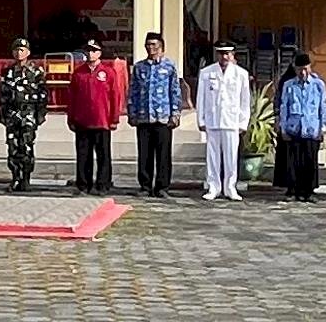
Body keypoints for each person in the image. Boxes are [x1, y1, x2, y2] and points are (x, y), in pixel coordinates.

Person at [192, 41, 254, 202]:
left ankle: (230, 187)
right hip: (212, 119)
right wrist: (201, 119)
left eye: (227, 53)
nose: (224, 57)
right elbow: (201, 97)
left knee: (231, 156)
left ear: (232, 55)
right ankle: (213, 186)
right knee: (212, 156)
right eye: (221, 53)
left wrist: (243, 122)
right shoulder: (207, 72)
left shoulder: (241, 74)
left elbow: (245, 100)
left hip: (232, 120)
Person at [66, 38, 127, 195]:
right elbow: (72, 97)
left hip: (102, 121)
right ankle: (83, 185)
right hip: (82, 121)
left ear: (99, 53)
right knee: (83, 156)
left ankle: (103, 185)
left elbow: (115, 96)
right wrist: (71, 118)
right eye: (88, 50)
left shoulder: (108, 72)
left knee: (103, 155)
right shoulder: (78, 73)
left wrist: (114, 118)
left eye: (94, 50)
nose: (90, 53)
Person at [128, 31, 185, 197]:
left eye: (154, 45)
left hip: (163, 117)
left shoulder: (169, 67)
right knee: (144, 154)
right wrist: (132, 112)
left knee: (163, 155)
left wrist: (175, 113)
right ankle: (145, 186)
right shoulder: (139, 67)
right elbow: (133, 91)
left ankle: (162, 187)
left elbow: (175, 91)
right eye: (148, 45)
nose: (150, 48)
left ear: (161, 47)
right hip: (144, 116)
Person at [0, 39, 52, 192]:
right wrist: (3, 114)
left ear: (28, 52)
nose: (19, 53)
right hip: (12, 114)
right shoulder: (7, 72)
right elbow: (0, 95)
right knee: (12, 146)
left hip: (28, 113)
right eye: (16, 50)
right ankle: (15, 177)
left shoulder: (36, 72)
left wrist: (39, 116)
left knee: (26, 146)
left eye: (22, 50)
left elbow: (43, 95)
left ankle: (25, 178)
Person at [271, 52, 326, 200]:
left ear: (310, 67)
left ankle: (308, 192)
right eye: (299, 69)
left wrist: (322, 127)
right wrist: (283, 127)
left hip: (311, 128)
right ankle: (293, 190)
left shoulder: (318, 85)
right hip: (294, 128)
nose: (302, 72)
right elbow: (284, 107)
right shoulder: (289, 85)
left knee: (310, 161)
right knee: (294, 162)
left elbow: (322, 107)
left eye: (305, 69)